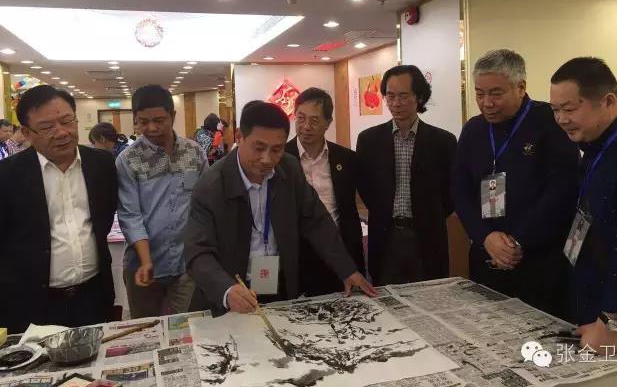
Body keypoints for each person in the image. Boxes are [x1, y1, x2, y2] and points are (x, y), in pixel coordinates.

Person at [184, 100, 375, 315]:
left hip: (279, 287)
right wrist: (227, 290)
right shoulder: (211, 186)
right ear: (239, 136)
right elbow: (198, 252)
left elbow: (316, 220)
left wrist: (347, 270)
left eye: (276, 149)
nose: (267, 159)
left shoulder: (289, 168)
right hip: (234, 291)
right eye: (259, 148)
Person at [452, 49, 579, 318]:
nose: (486, 103)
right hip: (486, 256)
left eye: (496, 93)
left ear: (520, 87)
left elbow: (562, 192)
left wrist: (517, 242)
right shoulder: (473, 130)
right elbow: (460, 191)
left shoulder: (551, 122)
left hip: (539, 260)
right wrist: (484, 236)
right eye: (479, 94)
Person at [0, 85, 118, 333]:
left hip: (93, 296)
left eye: (67, 121)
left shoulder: (102, 164)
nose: (62, 132)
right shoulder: (7, 175)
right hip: (31, 303)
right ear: (27, 133)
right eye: (47, 127)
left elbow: (104, 217)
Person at [550, 57, 617, 355]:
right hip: (594, 298)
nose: (561, 119)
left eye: (569, 109)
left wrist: (610, 320)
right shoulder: (594, 145)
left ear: (608, 101)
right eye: (555, 110)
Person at [356, 65, 457, 285]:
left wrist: (431, 214)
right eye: (390, 96)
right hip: (385, 235)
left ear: (419, 97)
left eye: (403, 96)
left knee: (430, 293)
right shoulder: (369, 140)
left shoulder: (443, 141)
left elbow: (451, 192)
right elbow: (365, 187)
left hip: (427, 235)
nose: (396, 103)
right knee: (386, 296)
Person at [116, 85, 208, 318]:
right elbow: (130, 215)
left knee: (188, 326)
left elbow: (205, 203)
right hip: (142, 265)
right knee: (146, 328)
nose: (151, 128)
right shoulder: (128, 159)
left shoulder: (194, 152)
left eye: (159, 120)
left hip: (186, 263)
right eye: (143, 122)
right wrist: (146, 260)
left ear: (172, 116)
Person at [285, 88, 365, 296]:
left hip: (339, 252)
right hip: (296, 254)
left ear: (328, 122)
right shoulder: (281, 159)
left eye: (314, 120)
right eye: (301, 118)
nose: (306, 126)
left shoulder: (347, 159)